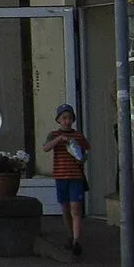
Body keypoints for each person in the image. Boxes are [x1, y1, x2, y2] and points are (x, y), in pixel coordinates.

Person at [43, 103, 90, 256]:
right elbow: (45, 147)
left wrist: (81, 159)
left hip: (75, 177)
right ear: (58, 120)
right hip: (60, 176)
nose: (67, 121)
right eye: (64, 118)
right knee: (65, 208)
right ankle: (70, 235)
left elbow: (85, 152)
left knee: (76, 208)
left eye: (69, 118)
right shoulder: (54, 135)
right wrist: (59, 140)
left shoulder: (78, 136)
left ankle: (77, 241)